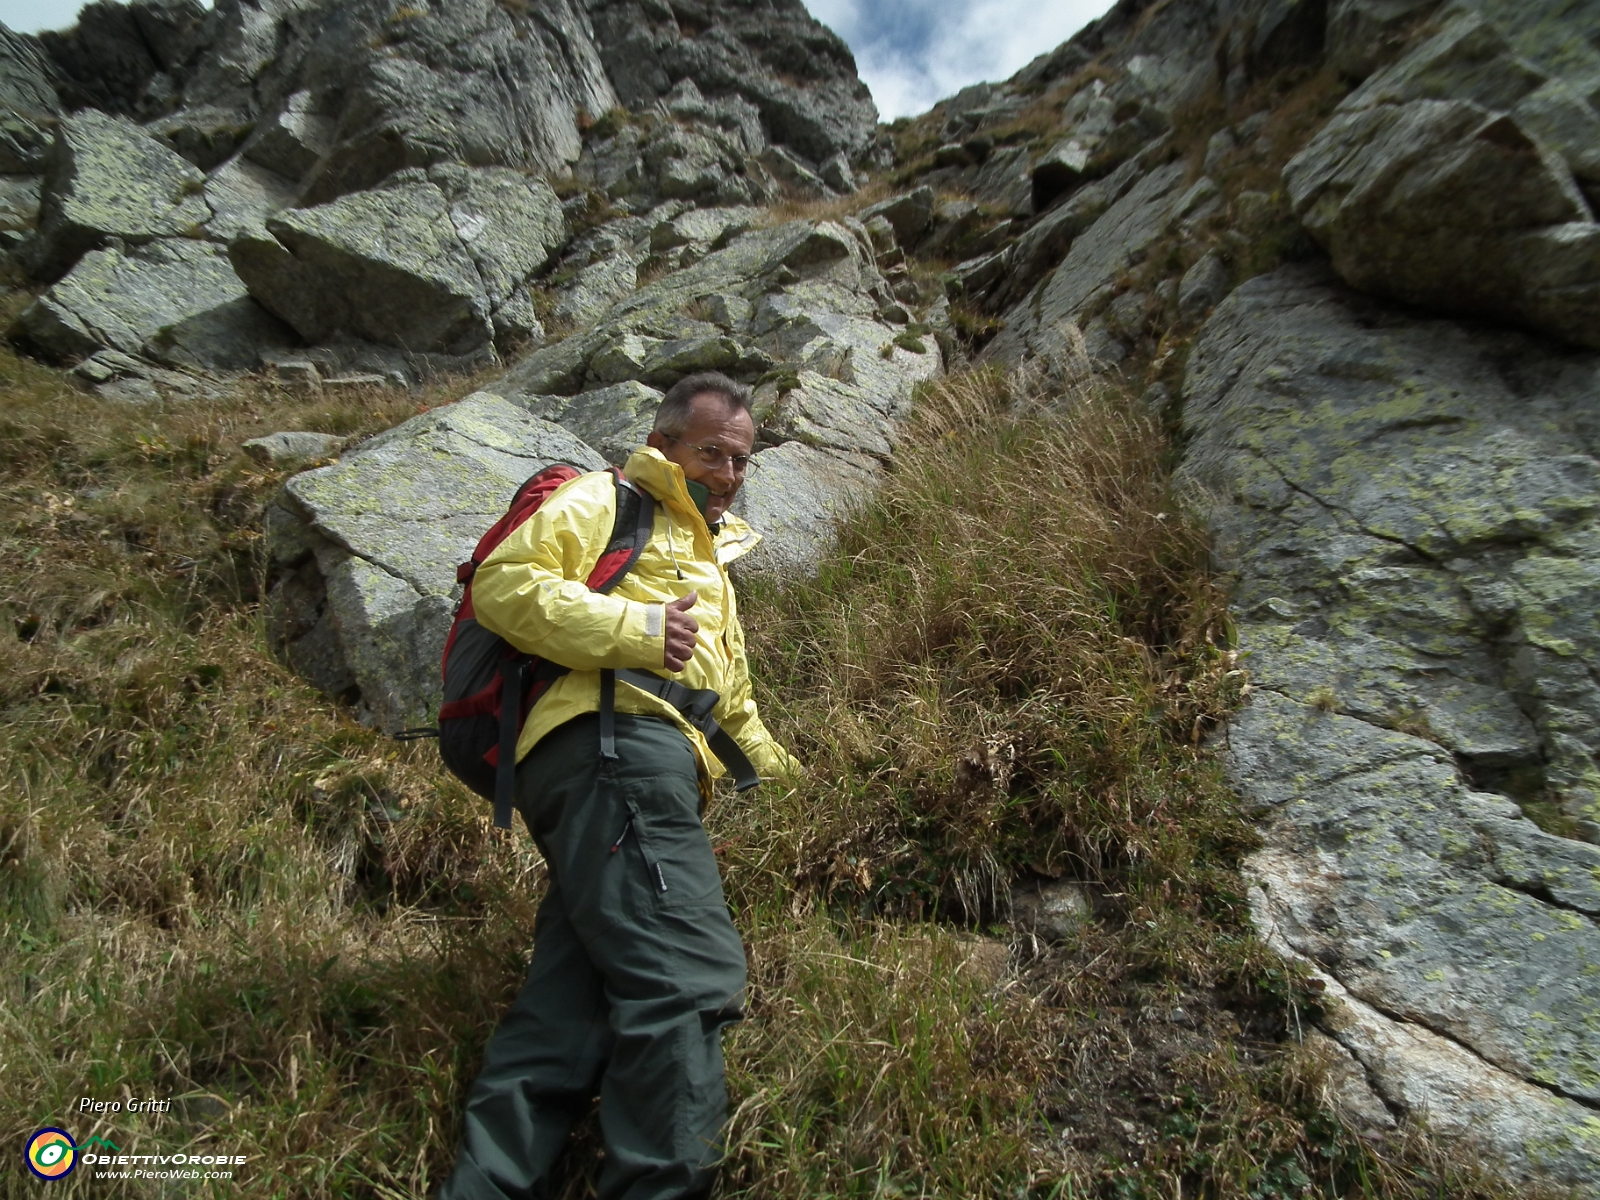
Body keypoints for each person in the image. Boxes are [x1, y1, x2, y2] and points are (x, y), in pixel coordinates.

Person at [439, 371, 799, 1200]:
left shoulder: (709, 562)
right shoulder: (606, 498)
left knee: (566, 1016)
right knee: (682, 973)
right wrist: (636, 627)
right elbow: (504, 586)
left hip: (624, 770)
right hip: (615, 753)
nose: (729, 474)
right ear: (663, 444)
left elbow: (731, 709)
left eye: (742, 461)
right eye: (712, 452)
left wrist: (798, 789)